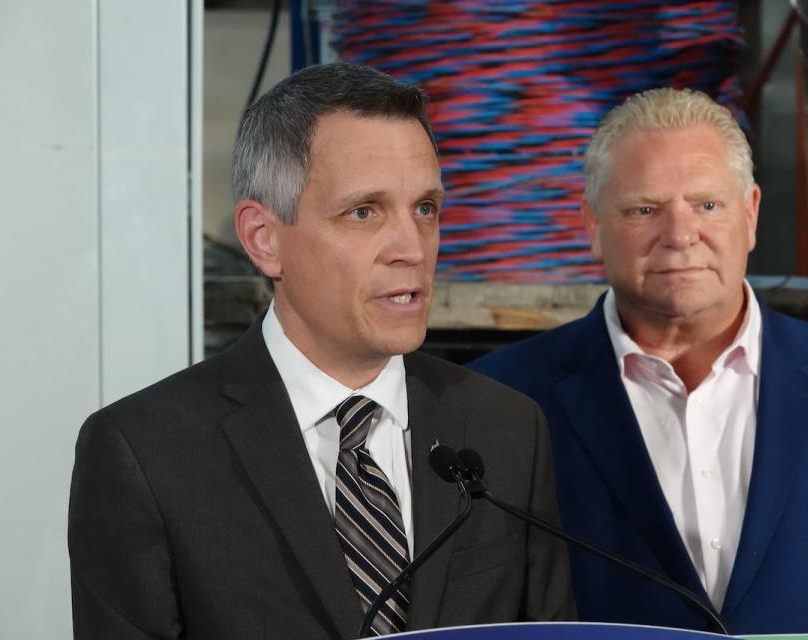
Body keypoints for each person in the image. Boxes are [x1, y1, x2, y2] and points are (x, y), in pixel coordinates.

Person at [68, 63, 573, 639]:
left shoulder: (506, 429)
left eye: (425, 209)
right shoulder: (146, 453)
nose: (411, 248)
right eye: (364, 212)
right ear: (265, 240)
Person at [471, 87, 808, 634]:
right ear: (592, 225)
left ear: (749, 214)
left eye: (707, 204)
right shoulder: (499, 403)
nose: (679, 236)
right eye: (644, 209)